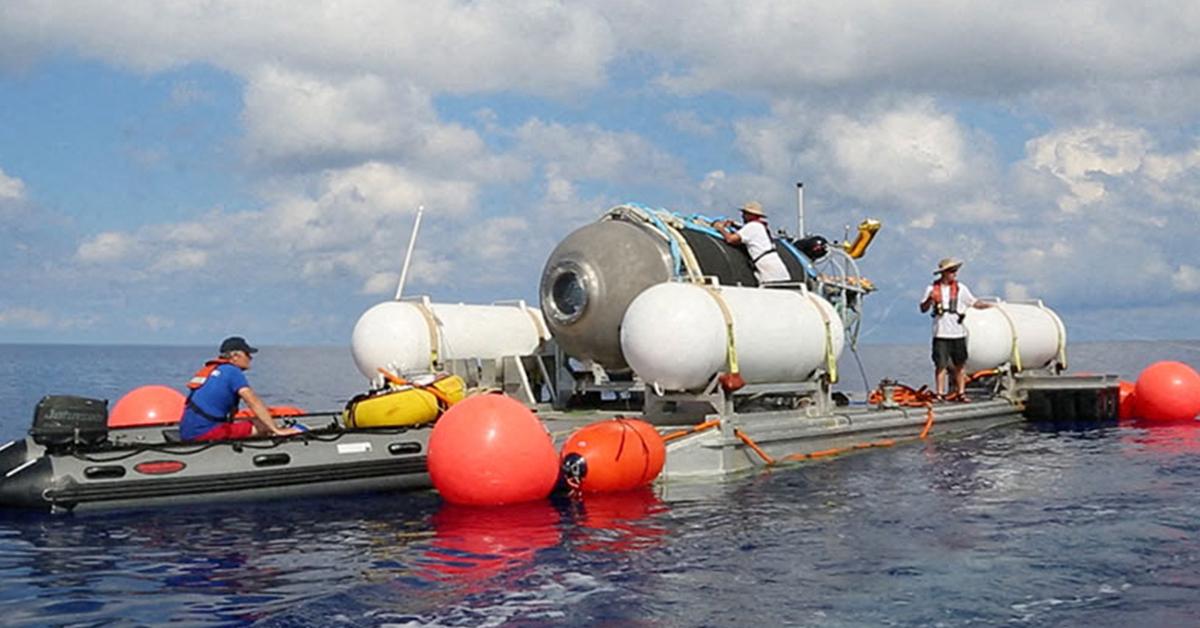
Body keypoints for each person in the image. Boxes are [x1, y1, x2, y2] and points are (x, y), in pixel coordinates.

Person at [179, 336, 302, 441]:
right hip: (203, 433)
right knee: (263, 425)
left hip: (187, 431)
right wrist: (276, 429)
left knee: (254, 422)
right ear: (235, 356)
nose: (250, 358)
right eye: (247, 354)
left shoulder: (215, 369)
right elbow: (253, 401)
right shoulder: (232, 371)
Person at [919, 258, 989, 401]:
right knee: (940, 365)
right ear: (943, 273)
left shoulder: (961, 288)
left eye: (955, 271)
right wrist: (929, 300)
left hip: (958, 333)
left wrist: (989, 306)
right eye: (951, 271)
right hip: (940, 333)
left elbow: (974, 302)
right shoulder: (931, 289)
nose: (954, 274)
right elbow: (923, 308)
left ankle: (961, 393)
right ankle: (940, 393)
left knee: (960, 365)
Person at [713, 201, 791, 284]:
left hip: (769, 269)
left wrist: (721, 229)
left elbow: (730, 239)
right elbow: (744, 230)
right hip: (775, 267)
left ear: (751, 215)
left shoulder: (752, 226)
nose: (742, 216)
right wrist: (733, 224)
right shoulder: (759, 226)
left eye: (745, 213)